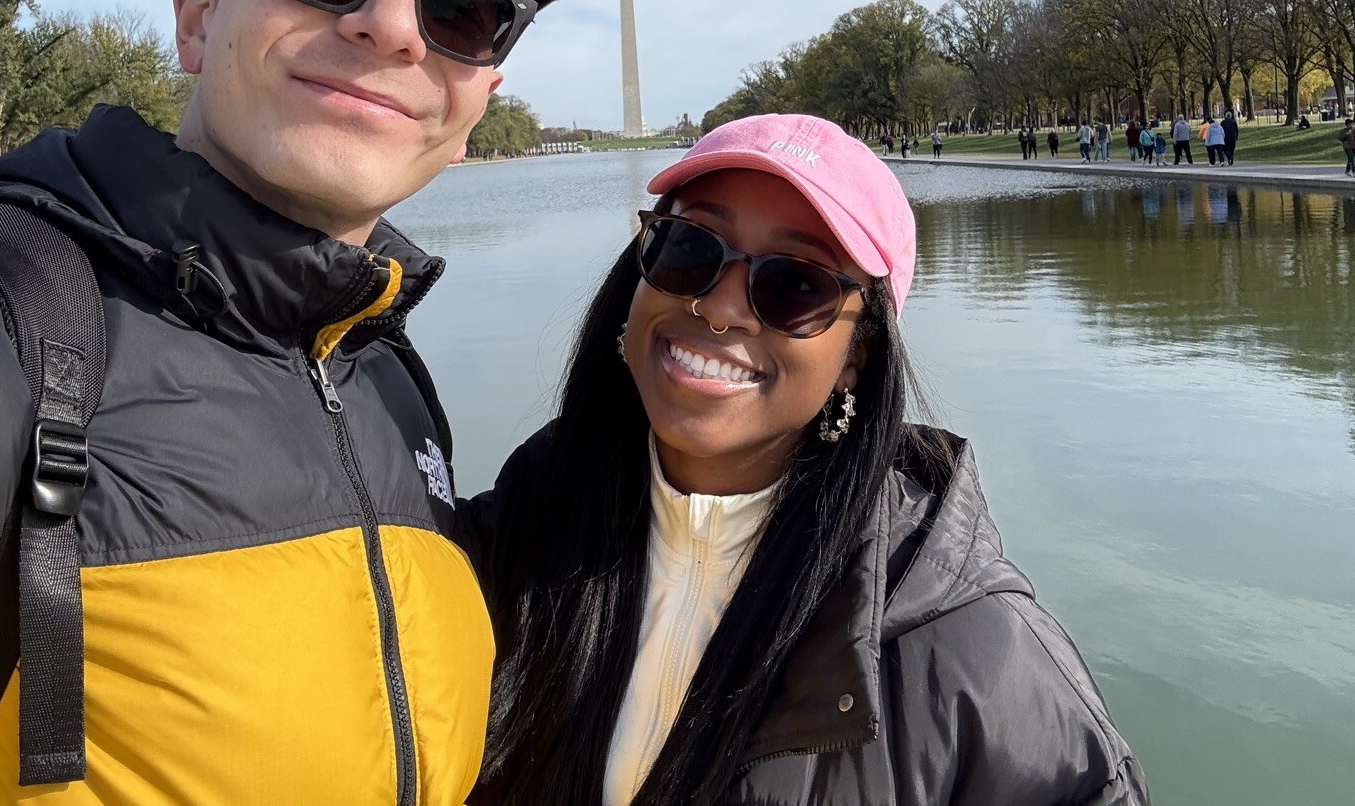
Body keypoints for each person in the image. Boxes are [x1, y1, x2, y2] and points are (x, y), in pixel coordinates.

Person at [0, 0, 586, 802]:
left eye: (465, 11)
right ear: (198, 12)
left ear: (477, 104)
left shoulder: (385, 373)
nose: (396, 26)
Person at [457, 115, 1149, 806]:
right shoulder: (505, 536)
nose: (722, 308)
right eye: (689, 247)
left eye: (795, 285)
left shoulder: (974, 653)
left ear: (856, 358)